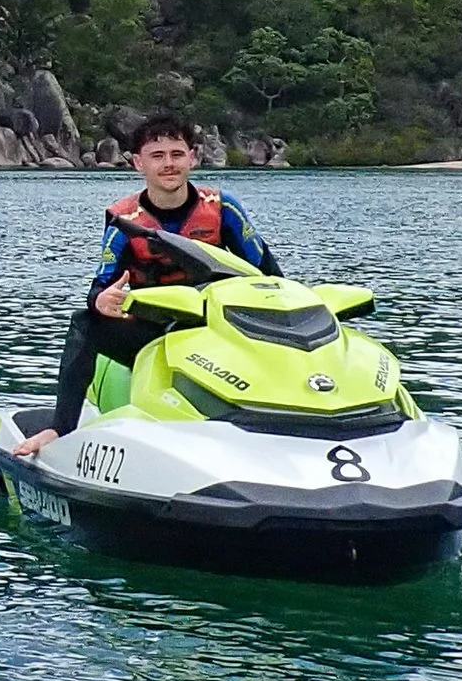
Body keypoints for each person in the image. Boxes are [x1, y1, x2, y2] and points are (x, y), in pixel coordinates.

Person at [16, 108, 282, 452]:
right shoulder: (124, 220)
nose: (168, 164)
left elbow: (271, 276)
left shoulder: (223, 209)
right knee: (85, 322)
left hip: (218, 332)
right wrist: (101, 301)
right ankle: (60, 428)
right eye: (157, 156)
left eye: (176, 154)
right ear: (138, 163)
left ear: (193, 158)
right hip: (155, 333)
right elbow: (100, 288)